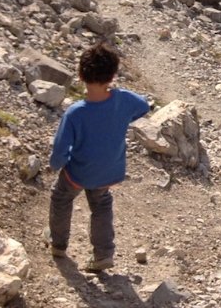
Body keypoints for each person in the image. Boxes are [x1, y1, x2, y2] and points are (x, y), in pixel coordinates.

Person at [47, 43, 151, 272]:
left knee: (61, 199)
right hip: (109, 171)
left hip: (78, 173)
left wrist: (55, 166)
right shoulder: (123, 100)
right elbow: (144, 105)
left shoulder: (76, 112)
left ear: (81, 74)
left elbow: (60, 149)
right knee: (101, 205)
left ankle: (58, 245)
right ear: (113, 75)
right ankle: (103, 254)